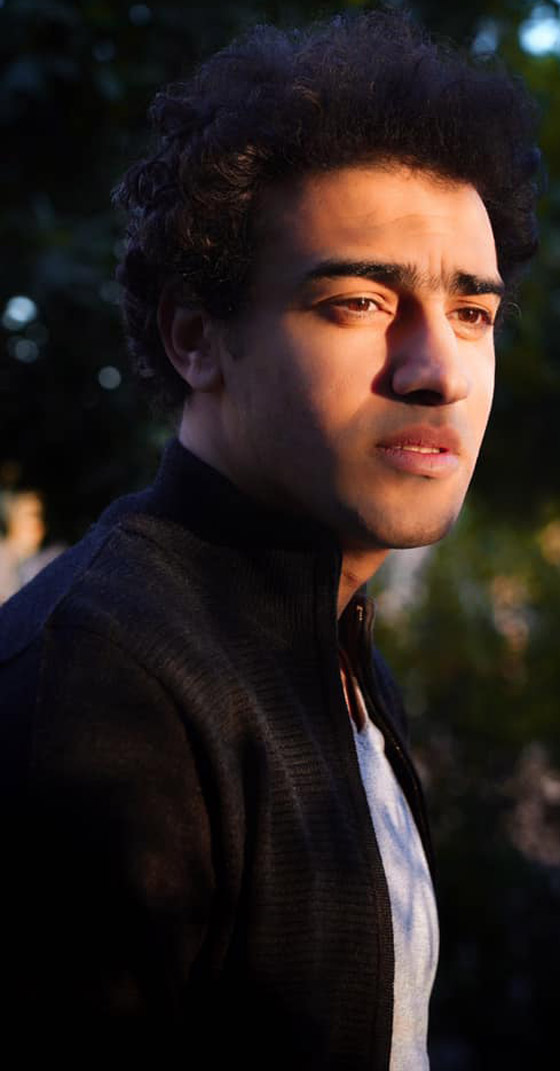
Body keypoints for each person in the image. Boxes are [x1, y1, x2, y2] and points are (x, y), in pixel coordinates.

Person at [0, 9, 540, 1068]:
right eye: (359, 301)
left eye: (471, 314)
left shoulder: (336, 647)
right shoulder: (100, 691)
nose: (436, 369)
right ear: (195, 337)